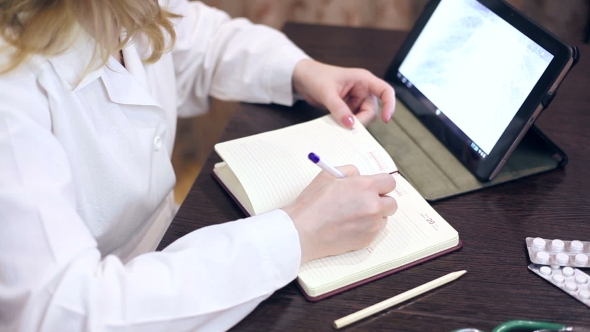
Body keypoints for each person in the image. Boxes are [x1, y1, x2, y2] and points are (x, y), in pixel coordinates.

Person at [0, 0, 398, 330]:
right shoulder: (11, 97)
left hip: (165, 247)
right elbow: (63, 312)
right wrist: (299, 233)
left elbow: (201, 39)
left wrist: (299, 71)